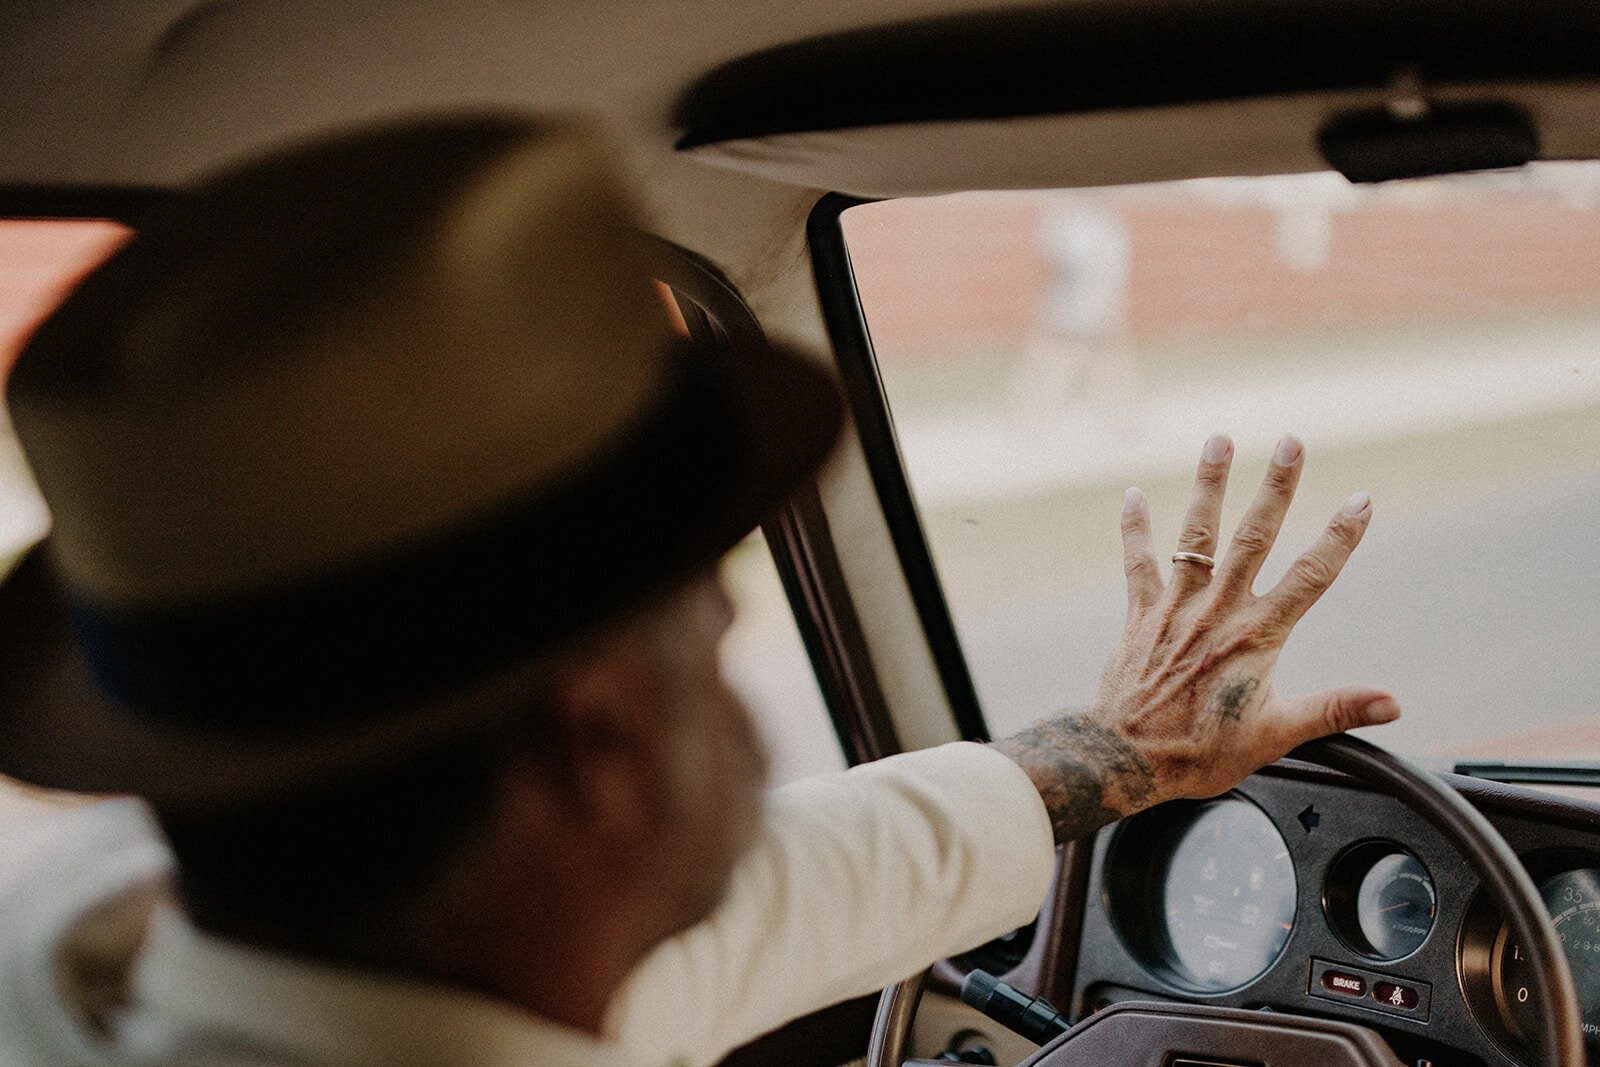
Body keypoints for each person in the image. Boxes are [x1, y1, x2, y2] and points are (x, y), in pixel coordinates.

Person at [0, 115, 1398, 1067]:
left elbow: (771, 900)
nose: (739, 701)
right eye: (717, 641)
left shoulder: (75, 948)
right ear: (601, 740)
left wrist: (1113, 757)